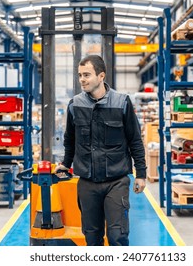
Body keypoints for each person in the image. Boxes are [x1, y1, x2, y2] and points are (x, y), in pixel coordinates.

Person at [55, 55, 147, 246]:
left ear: (101, 76)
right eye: (80, 75)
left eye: (87, 75)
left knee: (117, 235)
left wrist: (142, 174)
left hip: (116, 180)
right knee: (91, 236)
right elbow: (70, 140)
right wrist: (65, 164)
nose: (82, 79)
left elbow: (135, 140)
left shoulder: (122, 103)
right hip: (87, 183)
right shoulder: (75, 104)